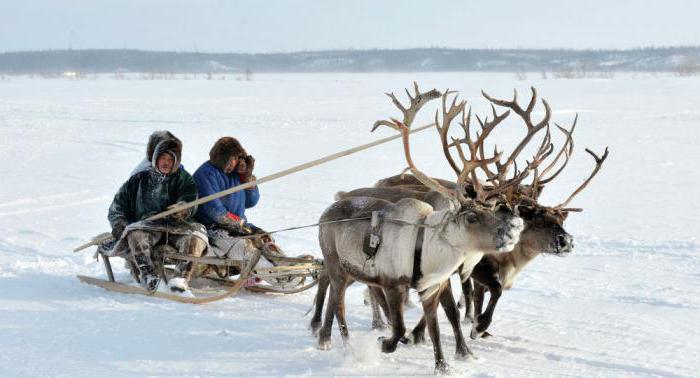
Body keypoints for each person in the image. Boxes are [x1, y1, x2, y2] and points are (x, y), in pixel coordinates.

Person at [107, 138, 207, 293]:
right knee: (135, 234)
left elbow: (190, 199)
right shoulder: (139, 179)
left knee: (196, 237)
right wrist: (119, 223)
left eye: (170, 159)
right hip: (148, 225)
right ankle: (149, 276)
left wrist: (182, 209)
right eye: (163, 158)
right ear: (155, 159)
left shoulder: (184, 178)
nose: (166, 162)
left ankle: (181, 278)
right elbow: (117, 205)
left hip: (178, 225)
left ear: (176, 161)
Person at [193, 137, 278, 277]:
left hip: (238, 226)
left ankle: (283, 266)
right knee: (246, 248)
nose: (233, 163)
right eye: (230, 159)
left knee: (266, 239)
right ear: (221, 157)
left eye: (236, 158)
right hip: (214, 229)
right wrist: (239, 224)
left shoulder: (237, 175)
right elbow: (215, 211)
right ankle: (276, 277)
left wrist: (247, 178)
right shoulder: (206, 173)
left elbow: (251, 201)